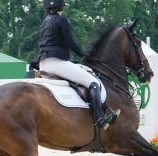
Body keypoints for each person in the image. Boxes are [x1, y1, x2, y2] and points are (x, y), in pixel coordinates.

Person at [31, 0, 120, 130]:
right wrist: (83, 54)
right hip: (56, 62)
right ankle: (100, 118)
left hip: (43, 63)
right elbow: (70, 42)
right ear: (62, 5)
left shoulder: (45, 22)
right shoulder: (61, 20)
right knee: (93, 82)